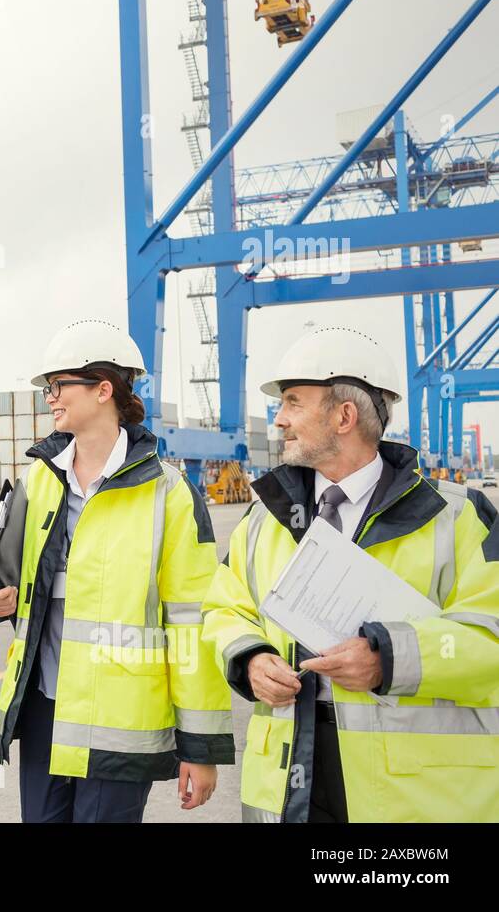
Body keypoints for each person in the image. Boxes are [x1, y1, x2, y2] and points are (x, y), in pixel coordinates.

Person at [203, 325, 499, 822]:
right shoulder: (263, 520)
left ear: (344, 416)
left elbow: (490, 637)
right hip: (290, 773)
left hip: (415, 796)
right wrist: (251, 658)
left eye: (293, 402)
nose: (279, 420)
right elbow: (223, 609)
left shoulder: (460, 518)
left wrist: (388, 659)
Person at [0, 319, 233, 822]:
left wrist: (200, 746)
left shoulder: (168, 491)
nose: (49, 398)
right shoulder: (37, 479)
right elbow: (9, 578)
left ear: (102, 390)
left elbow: (192, 621)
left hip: (119, 720)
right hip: (45, 708)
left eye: (58, 386)